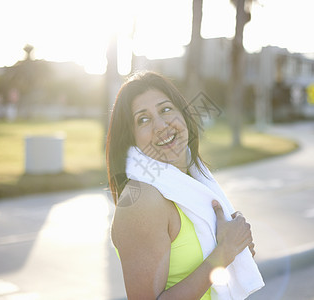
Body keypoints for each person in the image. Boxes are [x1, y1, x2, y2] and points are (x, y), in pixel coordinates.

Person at [106, 71, 257, 299]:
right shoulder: (142, 201)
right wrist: (224, 254)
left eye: (166, 109)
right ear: (131, 138)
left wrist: (236, 250)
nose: (161, 125)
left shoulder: (192, 182)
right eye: (143, 119)